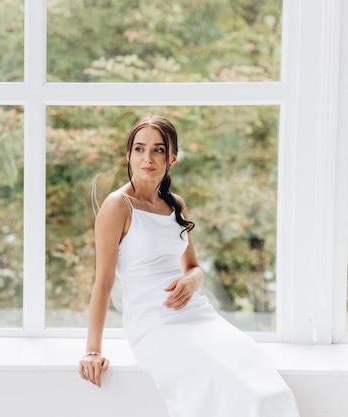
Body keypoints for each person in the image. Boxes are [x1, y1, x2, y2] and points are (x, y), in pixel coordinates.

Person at [78, 115, 300, 417]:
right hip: (153, 323)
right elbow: (103, 282)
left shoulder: (175, 205)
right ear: (129, 155)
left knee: (265, 388)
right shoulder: (117, 205)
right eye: (139, 149)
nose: (148, 158)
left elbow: (194, 267)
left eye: (158, 150)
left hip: (198, 315)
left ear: (172, 158)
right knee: (220, 387)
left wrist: (190, 282)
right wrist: (93, 350)